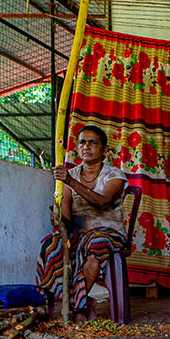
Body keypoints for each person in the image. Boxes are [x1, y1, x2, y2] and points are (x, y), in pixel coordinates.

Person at [35, 126, 132, 316]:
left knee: (91, 243)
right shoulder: (71, 175)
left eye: (92, 142)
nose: (86, 146)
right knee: (50, 245)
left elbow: (103, 202)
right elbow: (67, 221)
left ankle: (75, 304)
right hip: (79, 235)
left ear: (104, 149)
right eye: (82, 142)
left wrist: (70, 182)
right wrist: (59, 221)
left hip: (109, 233)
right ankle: (56, 305)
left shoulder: (114, 175)